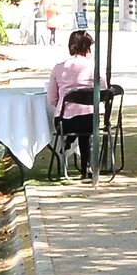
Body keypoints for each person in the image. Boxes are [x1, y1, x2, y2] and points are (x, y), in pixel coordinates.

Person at [47, 30, 98, 179]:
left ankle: (68, 144)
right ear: (88, 48)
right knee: (85, 130)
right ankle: (86, 166)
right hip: (91, 120)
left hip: (66, 121)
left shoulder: (59, 68)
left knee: (72, 122)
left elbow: (52, 99)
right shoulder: (94, 68)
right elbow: (102, 91)